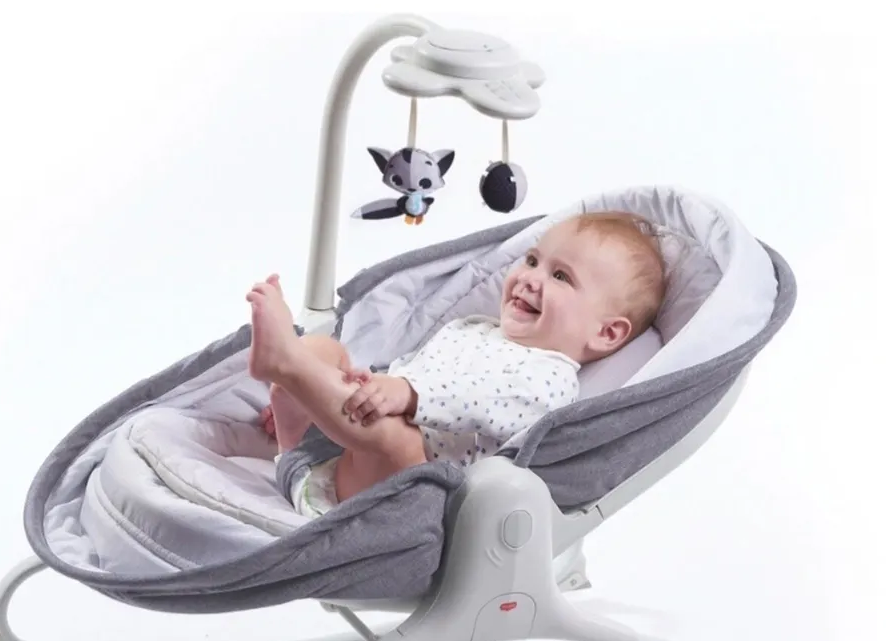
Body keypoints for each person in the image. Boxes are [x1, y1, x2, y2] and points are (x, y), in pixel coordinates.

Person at [247, 211, 666, 517]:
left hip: (397, 496)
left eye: (561, 277)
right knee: (328, 350)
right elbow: (410, 369)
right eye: (532, 260)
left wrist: (407, 395)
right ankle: (292, 419)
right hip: (334, 457)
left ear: (606, 333)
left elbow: (480, 401)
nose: (530, 278)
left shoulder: (552, 380)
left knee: (398, 437)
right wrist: (364, 383)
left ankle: (287, 365)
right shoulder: (473, 327)